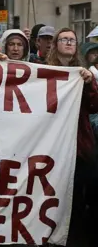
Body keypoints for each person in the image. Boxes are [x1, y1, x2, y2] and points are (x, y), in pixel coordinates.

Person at [46, 28, 98, 247]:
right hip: (51, 144)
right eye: (64, 39)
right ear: (56, 44)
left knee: (83, 191)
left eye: (72, 40)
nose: (68, 43)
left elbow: (94, 105)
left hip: (79, 144)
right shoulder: (44, 71)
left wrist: (89, 85)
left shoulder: (82, 74)